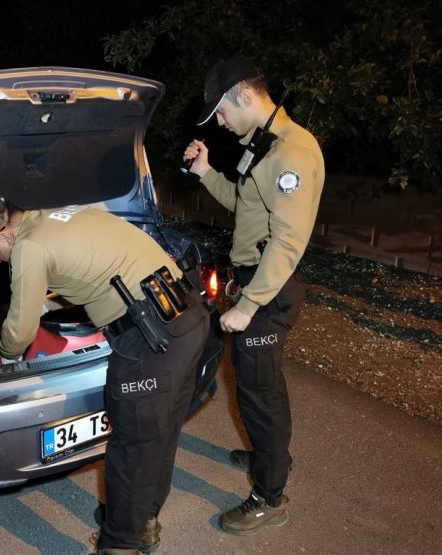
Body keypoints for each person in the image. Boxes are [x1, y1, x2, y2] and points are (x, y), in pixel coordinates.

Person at [0, 197, 211, 555]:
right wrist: (46, 301)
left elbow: (19, 329)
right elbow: (89, 273)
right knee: (159, 434)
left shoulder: (27, 247)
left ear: (0, 237)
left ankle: (119, 544)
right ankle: (142, 521)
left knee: (131, 447)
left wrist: (4, 359)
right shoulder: (58, 213)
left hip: (150, 339)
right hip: (187, 315)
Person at [183, 55, 325, 535]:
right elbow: (244, 207)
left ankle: (269, 495)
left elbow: (288, 241)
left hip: (267, 290)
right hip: (252, 281)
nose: (220, 123)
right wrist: (206, 171)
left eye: (221, 112)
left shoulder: (291, 153)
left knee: (258, 396)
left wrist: (247, 306)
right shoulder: (258, 146)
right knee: (260, 387)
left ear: (243, 96)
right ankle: (270, 454)